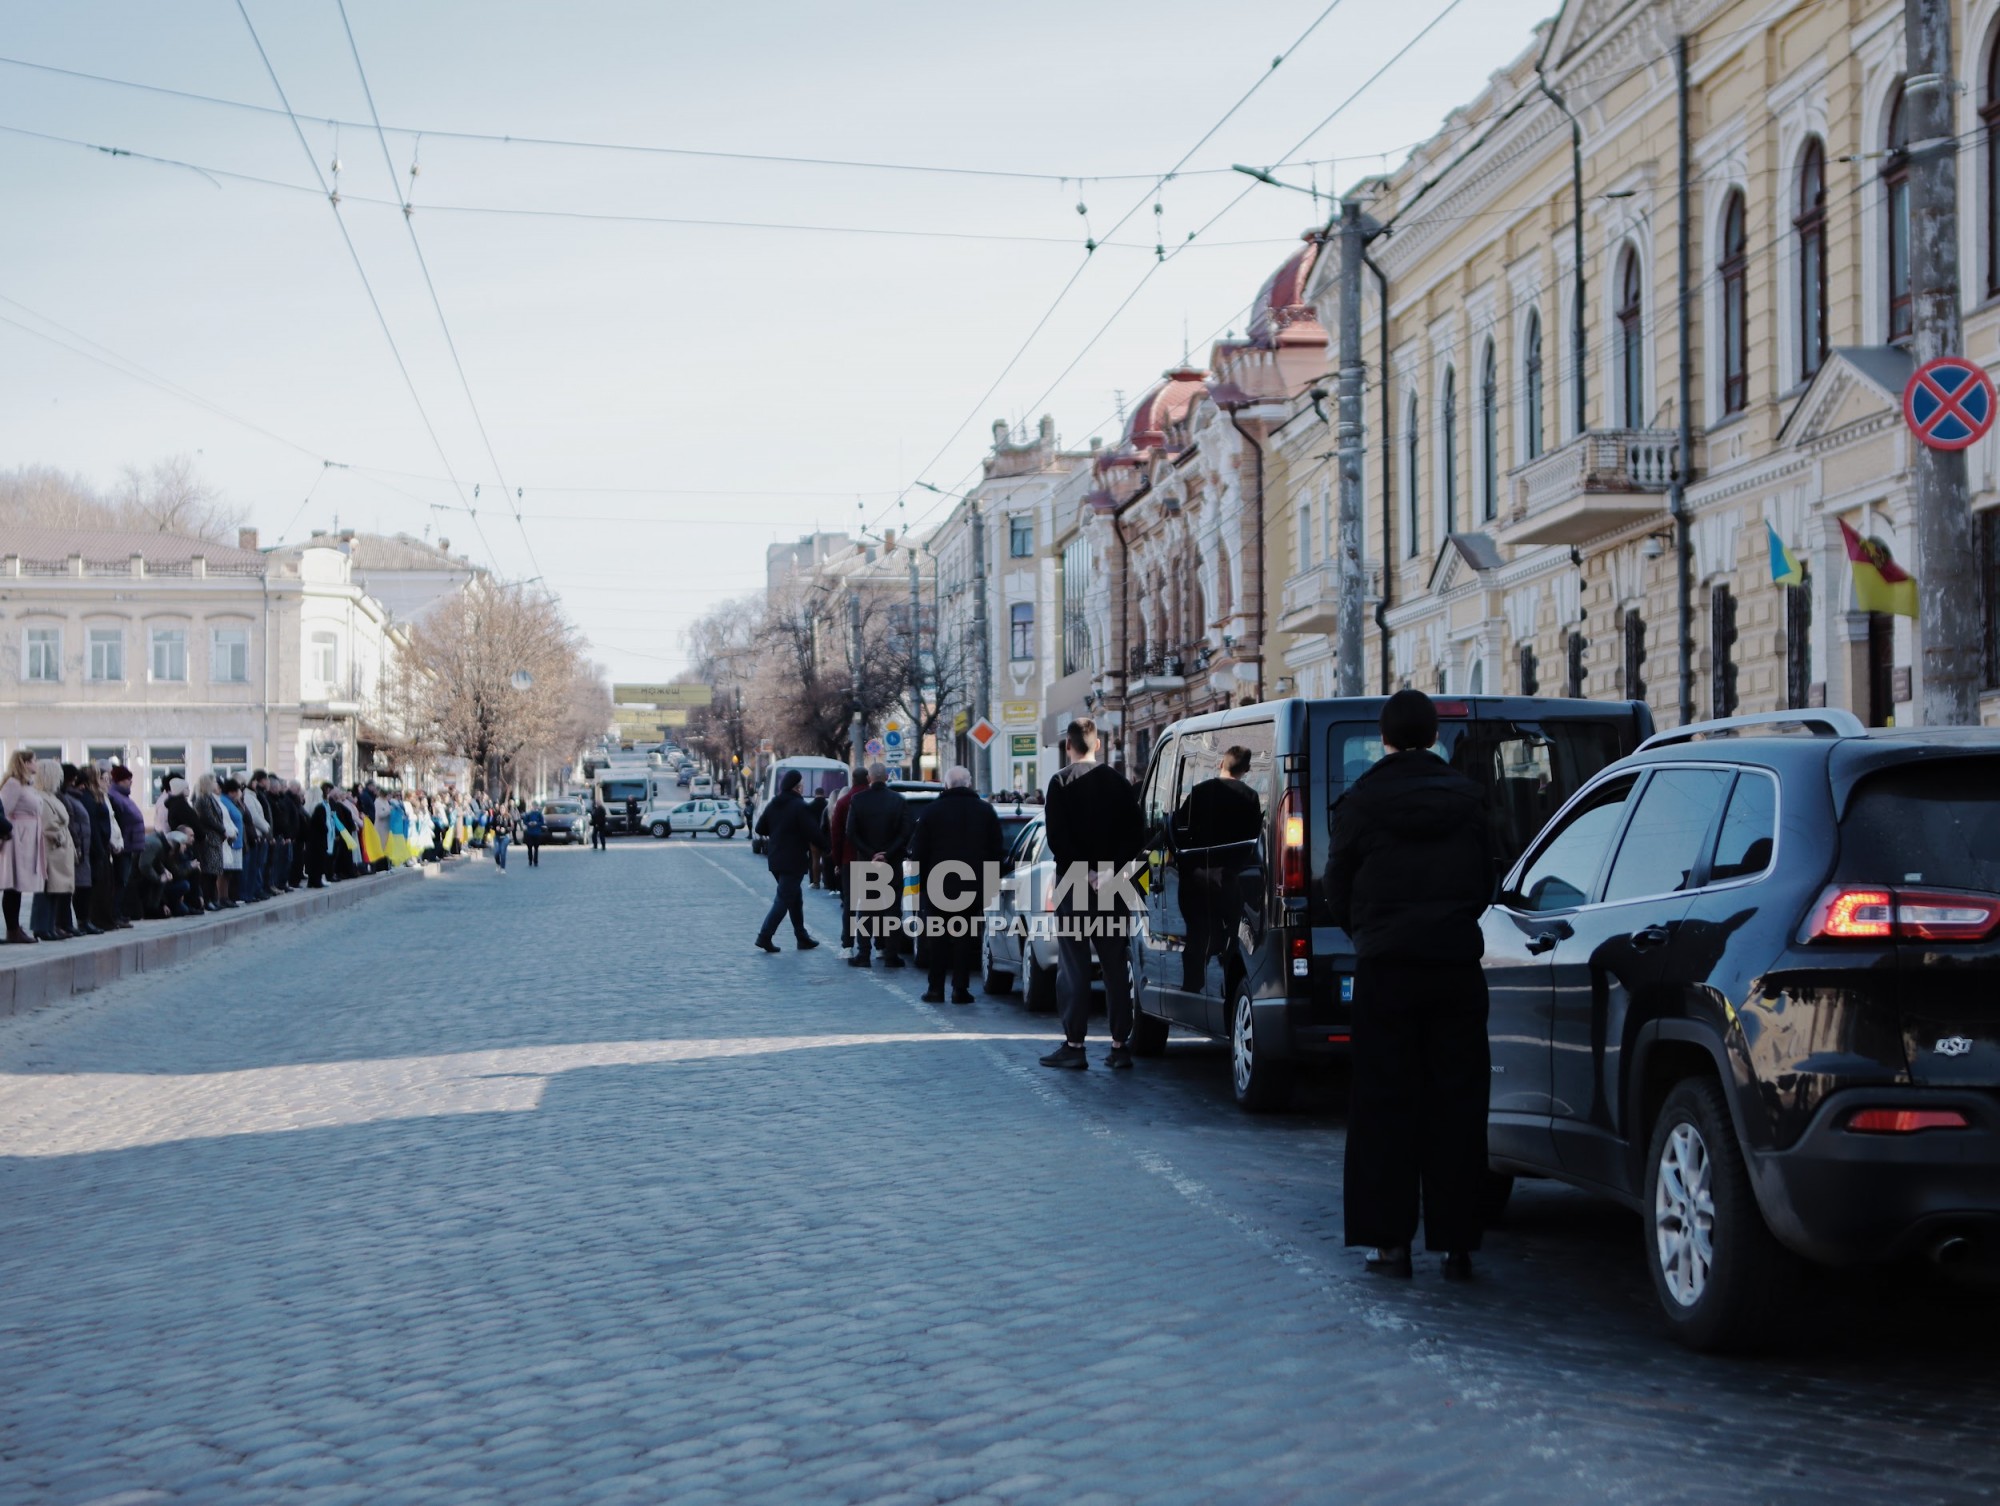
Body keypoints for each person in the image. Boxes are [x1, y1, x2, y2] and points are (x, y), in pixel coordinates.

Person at [1325, 688, 1496, 1283]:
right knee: (1458, 1104)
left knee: (1383, 1105)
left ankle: (1388, 1243)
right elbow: (1487, 882)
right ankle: (1457, 1245)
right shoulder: (1470, 801)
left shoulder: (1361, 802)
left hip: (1387, 971)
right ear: (1434, 735)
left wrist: (1369, 933)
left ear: (1385, 738)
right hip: (1454, 967)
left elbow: (1336, 885)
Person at [1039, 717, 1146, 1071]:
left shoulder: (1060, 782)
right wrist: (1110, 869)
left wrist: (1083, 871)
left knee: (1074, 965)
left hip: (1074, 880)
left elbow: (1057, 837)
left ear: (1068, 746)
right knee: (1116, 965)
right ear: (1097, 745)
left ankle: (1075, 1045)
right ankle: (1119, 1046)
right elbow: (1135, 835)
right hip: (1114, 882)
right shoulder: (1118, 782)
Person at [1173, 745, 1264, 990]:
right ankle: (1229, 988)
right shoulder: (1251, 797)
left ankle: (1192, 987)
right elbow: (1252, 841)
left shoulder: (1199, 792)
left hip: (1196, 879)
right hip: (1230, 880)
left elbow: (1178, 832)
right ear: (1246, 769)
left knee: (1197, 936)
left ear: (1220, 763)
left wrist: (1193, 866)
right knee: (1234, 935)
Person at [912, 766, 1005, 1004]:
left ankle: (935, 989)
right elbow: (997, 852)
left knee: (938, 938)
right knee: (965, 938)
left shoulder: (931, 812)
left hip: (938, 884)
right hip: (972, 885)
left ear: (946, 785)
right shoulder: (986, 812)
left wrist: (920, 886)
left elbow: (919, 852)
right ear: (970, 784)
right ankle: (960, 989)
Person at [844, 763, 913, 969]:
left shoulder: (858, 800)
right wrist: (888, 853)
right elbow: (905, 832)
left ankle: (863, 954)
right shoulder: (898, 801)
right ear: (886, 778)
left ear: (869, 778)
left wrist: (870, 853)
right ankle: (891, 955)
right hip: (891, 863)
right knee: (892, 910)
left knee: (866, 909)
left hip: (867, 862)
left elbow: (851, 832)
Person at [751, 768, 823, 953]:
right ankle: (764, 936)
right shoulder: (800, 806)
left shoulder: (774, 803)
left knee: (794, 898)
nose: (803, 788)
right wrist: (828, 848)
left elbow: (760, 828)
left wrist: (778, 832)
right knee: (783, 899)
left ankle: (801, 936)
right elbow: (813, 832)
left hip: (775, 858)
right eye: (802, 785)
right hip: (794, 860)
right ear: (797, 787)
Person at [2, 750, 45, 945]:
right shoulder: (13, 784)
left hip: (28, 839)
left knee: (19, 886)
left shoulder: (27, 785)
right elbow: (4, 810)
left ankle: (15, 927)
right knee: (13, 885)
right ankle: (12, 929)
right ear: (25, 763)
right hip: (17, 839)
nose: (37, 764)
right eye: (34, 760)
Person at [33, 759, 77, 940]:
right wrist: (58, 836)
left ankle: (50, 926)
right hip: (50, 848)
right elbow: (47, 824)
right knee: (46, 889)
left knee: (55, 891)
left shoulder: (51, 797)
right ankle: (42, 927)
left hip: (59, 848)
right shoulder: (41, 797)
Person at [827, 768, 864, 953]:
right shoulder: (876, 800)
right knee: (878, 903)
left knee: (850, 903)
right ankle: (881, 945)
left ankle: (848, 944)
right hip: (876, 859)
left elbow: (836, 835)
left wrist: (837, 861)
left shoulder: (842, 803)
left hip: (849, 859)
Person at [521, 803, 546, 867]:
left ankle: (535, 861)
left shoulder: (539, 814)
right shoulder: (529, 814)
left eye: (535, 806)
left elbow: (542, 822)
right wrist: (529, 823)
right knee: (529, 848)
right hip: (530, 833)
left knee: (536, 848)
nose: (534, 808)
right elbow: (524, 821)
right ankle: (530, 860)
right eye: (533, 806)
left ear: (537, 807)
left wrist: (536, 823)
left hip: (537, 833)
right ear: (531, 807)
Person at [493, 803, 514, 873]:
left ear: (505, 809)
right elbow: (491, 825)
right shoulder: (496, 816)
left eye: (503, 808)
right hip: (497, 836)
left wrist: (505, 829)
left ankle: (503, 868)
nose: (502, 810)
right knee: (496, 852)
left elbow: (512, 827)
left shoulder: (508, 817)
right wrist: (495, 828)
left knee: (502, 852)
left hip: (505, 837)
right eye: (501, 808)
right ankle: (498, 864)